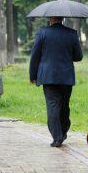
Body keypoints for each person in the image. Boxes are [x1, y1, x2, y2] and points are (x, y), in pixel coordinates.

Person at [29, 16, 83, 147]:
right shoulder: (72, 33)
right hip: (66, 76)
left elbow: (35, 55)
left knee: (52, 105)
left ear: (50, 18)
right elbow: (78, 56)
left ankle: (57, 138)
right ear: (62, 18)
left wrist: (32, 75)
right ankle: (63, 132)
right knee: (64, 106)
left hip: (48, 76)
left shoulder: (42, 33)